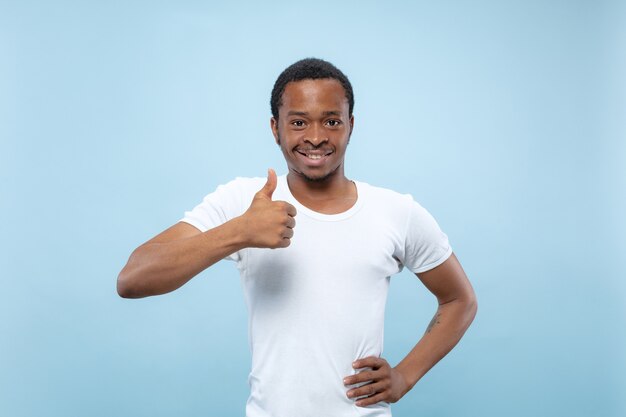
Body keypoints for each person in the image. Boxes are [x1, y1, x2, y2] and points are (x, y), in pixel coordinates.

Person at [117, 57, 477, 417]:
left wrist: (404, 377)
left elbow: (459, 300)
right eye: (299, 122)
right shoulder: (244, 202)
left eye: (332, 121)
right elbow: (133, 278)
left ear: (351, 126)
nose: (316, 137)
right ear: (275, 128)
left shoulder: (396, 211)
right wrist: (239, 232)